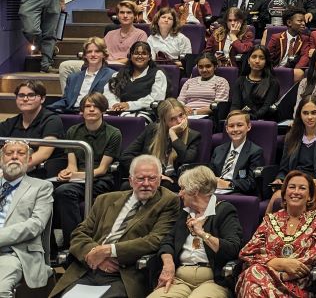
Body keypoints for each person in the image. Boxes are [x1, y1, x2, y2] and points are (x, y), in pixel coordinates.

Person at [49, 155, 180, 298]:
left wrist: (108, 250)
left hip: (123, 273)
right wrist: (95, 254)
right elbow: (78, 234)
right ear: (130, 181)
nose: (146, 184)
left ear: (160, 180)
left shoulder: (168, 201)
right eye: (140, 179)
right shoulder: (105, 200)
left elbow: (155, 239)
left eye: (152, 178)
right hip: (88, 269)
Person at [148, 166, 242, 298]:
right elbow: (167, 241)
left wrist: (202, 233)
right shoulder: (185, 212)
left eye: (183, 189)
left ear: (195, 191)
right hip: (179, 279)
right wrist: (168, 264)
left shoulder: (224, 210)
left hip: (212, 280)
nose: (179, 193)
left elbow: (233, 249)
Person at [236, 171, 316, 297]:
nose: (296, 192)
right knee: (253, 276)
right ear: (284, 194)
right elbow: (248, 252)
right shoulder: (269, 219)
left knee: (252, 276)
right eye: (292, 187)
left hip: (298, 284)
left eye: (302, 188)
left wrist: (283, 273)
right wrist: (277, 263)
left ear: (309, 196)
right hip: (263, 279)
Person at [53, 92, 121, 236]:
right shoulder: (73, 131)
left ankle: (74, 240)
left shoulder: (114, 133)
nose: (91, 109)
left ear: (103, 110)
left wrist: (74, 175)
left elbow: (102, 169)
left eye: (96, 106)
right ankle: (51, 245)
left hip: (100, 180)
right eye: (87, 106)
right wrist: (67, 172)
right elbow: (72, 165)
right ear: (81, 111)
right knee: (48, 190)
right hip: (77, 180)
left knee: (65, 191)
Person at [0, 140, 54, 295]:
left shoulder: (41, 187)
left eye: (21, 153)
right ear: (1, 159)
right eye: (9, 153)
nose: (14, 157)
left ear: (29, 160)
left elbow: (36, 225)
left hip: (14, 252)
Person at [122, 98, 201, 187]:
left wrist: (173, 134)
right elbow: (126, 156)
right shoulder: (152, 130)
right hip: (150, 177)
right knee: (126, 186)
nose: (179, 121)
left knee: (164, 186)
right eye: (172, 119)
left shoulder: (194, 136)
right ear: (164, 121)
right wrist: (147, 173)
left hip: (174, 181)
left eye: (181, 115)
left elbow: (186, 160)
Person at [103, 41, 168, 121]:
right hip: (118, 111)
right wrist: (115, 104)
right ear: (130, 56)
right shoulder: (119, 74)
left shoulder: (157, 74)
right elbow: (109, 92)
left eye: (144, 53)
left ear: (149, 57)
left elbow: (156, 99)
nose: (140, 56)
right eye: (136, 53)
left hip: (146, 113)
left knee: (129, 119)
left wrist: (129, 105)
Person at [49, 37, 116, 113]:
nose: (93, 55)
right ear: (85, 55)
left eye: (97, 51)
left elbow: (110, 101)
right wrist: (48, 108)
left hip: (95, 113)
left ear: (104, 54)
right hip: (73, 113)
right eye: (89, 52)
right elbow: (66, 100)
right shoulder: (73, 77)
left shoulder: (112, 75)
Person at [210, 110, 265, 195]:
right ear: (227, 129)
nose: (235, 129)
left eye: (239, 125)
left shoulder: (255, 151)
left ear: (249, 126)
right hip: (215, 190)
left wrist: (228, 184)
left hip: (237, 192)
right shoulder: (218, 150)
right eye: (231, 126)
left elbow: (252, 183)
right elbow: (210, 174)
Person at [231, 45, 279, 120]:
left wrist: (249, 118)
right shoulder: (240, 81)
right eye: (254, 57)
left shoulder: (273, 82)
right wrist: (234, 117)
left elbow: (266, 108)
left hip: (262, 122)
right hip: (241, 121)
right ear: (248, 60)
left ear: (266, 62)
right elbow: (235, 105)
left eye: (262, 58)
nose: (257, 61)